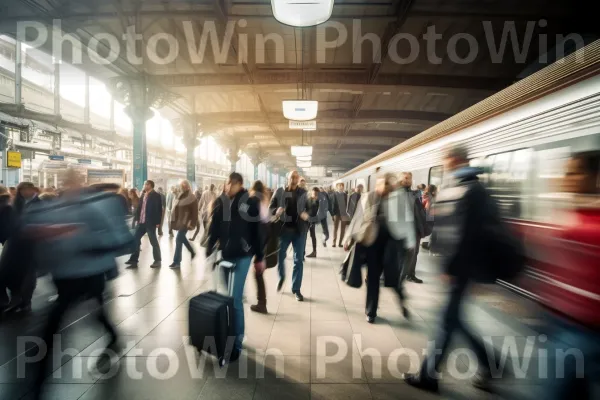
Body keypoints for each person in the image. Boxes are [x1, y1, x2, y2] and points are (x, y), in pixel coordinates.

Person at [403, 144, 501, 393]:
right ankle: (493, 366)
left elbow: (466, 235)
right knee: (454, 320)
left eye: (446, 159)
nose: (444, 164)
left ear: (455, 160)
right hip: (461, 267)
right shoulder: (467, 187)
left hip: (462, 268)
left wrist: (452, 267)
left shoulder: (472, 190)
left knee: (447, 322)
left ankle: (428, 375)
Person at [29, 170, 129, 400]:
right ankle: (38, 381)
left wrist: (82, 240)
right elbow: (39, 233)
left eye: (72, 182)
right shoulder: (57, 207)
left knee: (72, 318)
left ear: (79, 183)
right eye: (67, 182)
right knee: (89, 314)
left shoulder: (91, 208)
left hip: (89, 274)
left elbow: (116, 238)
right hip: (67, 277)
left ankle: (37, 383)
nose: (69, 186)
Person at [537, 151, 600, 400]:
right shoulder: (574, 216)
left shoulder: (586, 225)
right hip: (562, 320)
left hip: (583, 329)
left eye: (574, 172)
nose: (567, 178)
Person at [206, 172, 264, 360]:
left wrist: (259, 257)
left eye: (230, 183)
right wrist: (209, 247)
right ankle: (230, 335)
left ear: (239, 184)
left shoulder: (251, 202)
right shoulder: (221, 201)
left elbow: (258, 230)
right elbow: (214, 226)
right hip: (225, 253)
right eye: (226, 183)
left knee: (234, 298)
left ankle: (236, 344)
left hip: (243, 255)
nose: (227, 186)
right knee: (227, 296)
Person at [343, 173, 412, 323]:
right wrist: (348, 237)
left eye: (387, 184)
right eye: (381, 184)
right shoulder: (369, 196)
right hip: (372, 243)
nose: (384, 187)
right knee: (373, 278)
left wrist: (410, 243)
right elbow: (358, 218)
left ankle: (401, 299)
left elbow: (407, 220)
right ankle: (371, 311)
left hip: (391, 244)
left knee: (392, 278)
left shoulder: (398, 198)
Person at [270, 170, 323, 301]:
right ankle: (282, 277)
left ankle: (296, 289)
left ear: (298, 179)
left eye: (296, 177)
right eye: (292, 177)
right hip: (283, 231)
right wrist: (276, 211)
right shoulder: (279, 192)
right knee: (280, 256)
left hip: (299, 231)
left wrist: (307, 215)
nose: (294, 179)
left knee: (298, 260)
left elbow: (312, 209)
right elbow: (270, 208)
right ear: (288, 178)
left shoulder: (304, 193)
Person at [125, 180, 163, 268]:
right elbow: (140, 208)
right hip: (141, 222)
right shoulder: (143, 194)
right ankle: (134, 259)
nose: (144, 186)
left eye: (145, 184)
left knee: (153, 241)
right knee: (135, 239)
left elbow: (159, 210)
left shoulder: (156, 195)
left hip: (150, 222)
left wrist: (158, 222)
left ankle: (157, 260)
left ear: (150, 185)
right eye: (144, 184)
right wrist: (138, 218)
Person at [399, 172, 426, 284]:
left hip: (414, 227)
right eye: (405, 178)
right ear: (400, 179)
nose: (407, 180)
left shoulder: (415, 194)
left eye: (409, 178)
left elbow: (420, 210)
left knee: (414, 252)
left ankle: (410, 274)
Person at [249, 180, 270, 314]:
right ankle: (261, 302)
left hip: (258, 241)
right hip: (263, 240)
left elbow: (256, 225)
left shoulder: (254, 200)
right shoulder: (263, 200)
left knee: (258, 273)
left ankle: (262, 304)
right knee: (258, 273)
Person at [169, 180, 198, 269]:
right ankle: (192, 251)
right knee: (181, 239)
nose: (183, 187)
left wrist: (192, 223)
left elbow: (195, 212)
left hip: (186, 222)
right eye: (182, 185)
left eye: (185, 185)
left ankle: (177, 262)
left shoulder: (192, 197)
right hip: (179, 221)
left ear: (188, 186)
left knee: (178, 239)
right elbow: (176, 208)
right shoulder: (180, 196)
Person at [331, 183, 349, 247]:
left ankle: (340, 242)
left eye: (342, 186)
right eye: (340, 186)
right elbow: (333, 204)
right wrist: (333, 214)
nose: (341, 187)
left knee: (343, 229)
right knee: (335, 228)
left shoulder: (345, 195)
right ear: (337, 187)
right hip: (336, 214)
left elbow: (346, 204)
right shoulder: (334, 194)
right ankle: (334, 242)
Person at [306, 187, 321, 258]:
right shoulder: (308, 199)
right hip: (306, 220)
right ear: (311, 192)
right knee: (304, 236)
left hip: (313, 221)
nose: (314, 194)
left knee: (313, 236)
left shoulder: (319, 201)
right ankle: (302, 252)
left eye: (316, 193)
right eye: (313, 193)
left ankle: (314, 252)